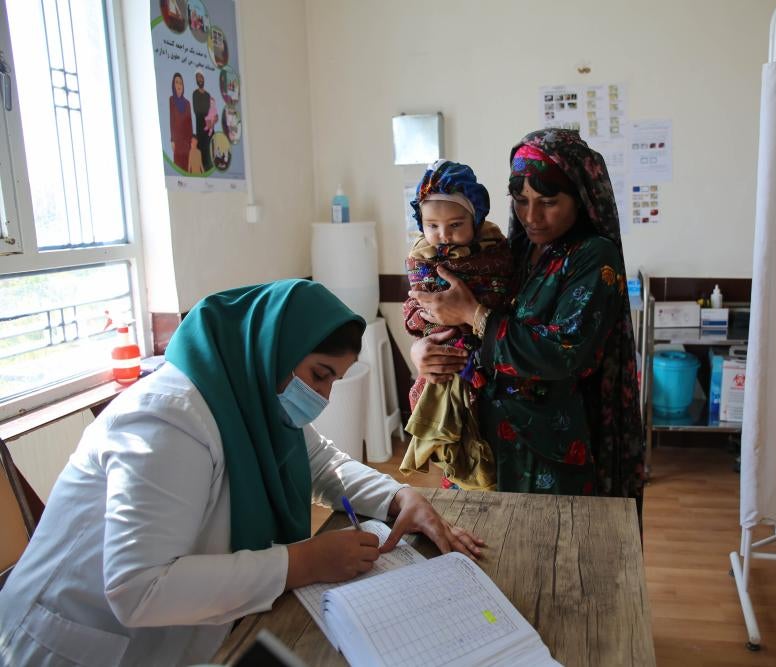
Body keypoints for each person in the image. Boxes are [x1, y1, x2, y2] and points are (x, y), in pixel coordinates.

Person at [0, 279, 484, 666]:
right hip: (70, 642)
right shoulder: (167, 419)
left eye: (334, 380)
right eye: (319, 374)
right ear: (272, 348)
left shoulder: (254, 399)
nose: (324, 398)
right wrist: (302, 562)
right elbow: (137, 586)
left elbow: (324, 463)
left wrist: (400, 497)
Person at [408, 129, 645, 503]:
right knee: (474, 549)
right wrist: (423, 352)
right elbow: (440, 313)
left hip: (544, 446)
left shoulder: (592, 257)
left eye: (548, 201)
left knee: (541, 553)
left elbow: (564, 352)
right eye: (520, 200)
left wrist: (473, 313)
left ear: (580, 198)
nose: (531, 216)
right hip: (476, 436)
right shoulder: (510, 251)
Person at [399, 160, 513, 491]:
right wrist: (424, 323)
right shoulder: (423, 258)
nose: (443, 235)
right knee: (458, 457)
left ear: (476, 219)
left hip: (493, 370)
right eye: (432, 225)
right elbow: (414, 305)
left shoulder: (498, 253)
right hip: (442, 355)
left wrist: (469, 315)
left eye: (455, 224)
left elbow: (504, 298)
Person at [168, 72, 194, 170]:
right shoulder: (171, 100)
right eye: (176, 82)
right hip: (177, 142)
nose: (179, 85)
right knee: (178, 168)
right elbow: (172, 120)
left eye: (180, 83)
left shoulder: (187, 103)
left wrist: (191, 142)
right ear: (173, 85)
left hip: (187, 142)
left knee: (188, 168)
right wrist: (172, 140)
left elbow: (190, 123)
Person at [191, 69, 214, 173]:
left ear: (204, 79)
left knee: (211, 153)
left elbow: (211, 111)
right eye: (197, 78)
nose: (199, 79)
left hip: (209, 129)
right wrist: (208, 117)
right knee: (203, 154)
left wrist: (212, 118)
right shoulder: (195, 94)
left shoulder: (208, 95)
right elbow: (197, 110)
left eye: (200, 77)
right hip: (200, 129)